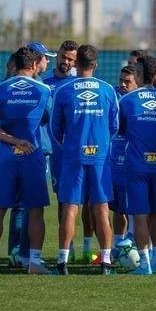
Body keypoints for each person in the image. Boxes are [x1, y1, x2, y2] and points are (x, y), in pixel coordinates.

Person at [50, 44, 119, 275]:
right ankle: (106, 262)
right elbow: (114, 126)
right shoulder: (108, 90)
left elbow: (55, 129)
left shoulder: (64, 90)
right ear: (95, 65)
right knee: (101, 209)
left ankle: (62, 262)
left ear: (76, 63)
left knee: (70, 208)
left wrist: (71, 145)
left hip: (73, 155)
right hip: (100, 157)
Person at [0, 46, 52, 274]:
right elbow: (46, 118)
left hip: (5, 156)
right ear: (33, 66)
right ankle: (33, 262)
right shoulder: (43, 90)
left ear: (14, 65)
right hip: (32, 155)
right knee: (35, 211)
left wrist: (12, 141)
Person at [118, 55, 156, 275]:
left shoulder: (128, 101)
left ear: (139, 75)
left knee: (140, 215)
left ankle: (145, 265)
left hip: (137, 166)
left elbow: (120, 130)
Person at [110, 65, 139, 258]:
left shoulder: (138, 102)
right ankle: (116, 246)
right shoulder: (113, 96)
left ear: (137, 82)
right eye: (121, 80)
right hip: (113, 162)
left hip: (134, 162)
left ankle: (137, 244)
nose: (122, 84)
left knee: (135, 207)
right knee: (117, 208)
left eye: (127, 81)